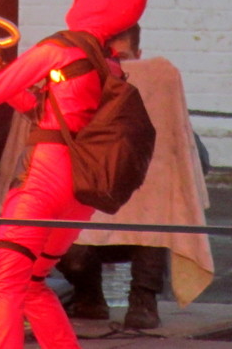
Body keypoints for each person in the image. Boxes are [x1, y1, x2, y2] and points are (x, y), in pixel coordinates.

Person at [0, 0, 151, 349]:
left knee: (2, 285)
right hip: (79, 194)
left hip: (45, 182)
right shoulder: (108, 65)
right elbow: (43, 111)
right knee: (31, 285)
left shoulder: (60, 48)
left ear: (96, 3)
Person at [56, 24, 167, 330]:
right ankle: (90, 296)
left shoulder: (158, 99)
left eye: (126, 59)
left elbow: (189, 166)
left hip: (140, 232)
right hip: (89, 225)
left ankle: (143, 300)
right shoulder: (79, 93)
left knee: (162, 218)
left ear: (140, 57)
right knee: (62, 235)